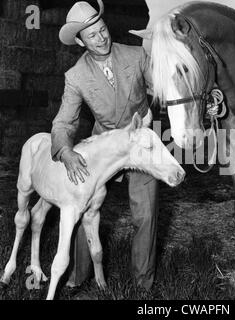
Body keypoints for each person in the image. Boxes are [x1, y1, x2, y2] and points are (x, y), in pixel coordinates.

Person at [51, 0, 158, 291]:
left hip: (138, 143)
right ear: (80, 42)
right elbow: (64, 122)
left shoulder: (137, 56)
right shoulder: (76, 76)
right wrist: (66, 151)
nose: (102, 38)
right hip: (103, 146)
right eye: (92, 36)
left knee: (145, 213)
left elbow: (162, 89)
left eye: (103, 29)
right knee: (84, 209)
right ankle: (78, 277)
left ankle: (143, 285)